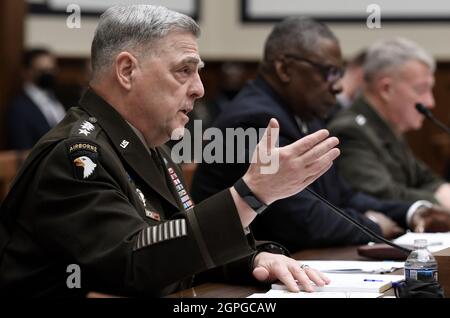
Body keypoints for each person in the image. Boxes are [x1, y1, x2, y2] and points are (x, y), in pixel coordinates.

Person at [0, 5, 340, 297]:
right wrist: (250, 194)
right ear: (127, 71)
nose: (200, 88)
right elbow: (135, 263)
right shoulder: (75, 155)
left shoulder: (148, 145)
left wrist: (251, 259)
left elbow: (173, 242)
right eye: (184, 70)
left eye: (198, 72)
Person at [191, 17, 450, 253]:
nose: (337, 86)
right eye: (328, 73)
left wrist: (412, 211)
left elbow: (343, 196)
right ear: (285, 69)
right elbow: (303, 221)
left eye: (339, 73)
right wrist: (373, 224)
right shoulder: (253, 121)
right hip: (237, 278)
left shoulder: (305, 116)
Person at [328, 38, 450, 210]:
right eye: (421, 89)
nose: (430, 102)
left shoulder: (388, 126)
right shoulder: (349, 131)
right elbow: (382, 195)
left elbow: (424, 178)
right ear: (386, 89)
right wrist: (440, 202)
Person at [6, 48, 66, 150]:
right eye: (42, 71)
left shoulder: (60, 97)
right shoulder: (19, 108)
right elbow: (23, 149)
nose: (48, 74)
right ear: (26, 72)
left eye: (52, 70)